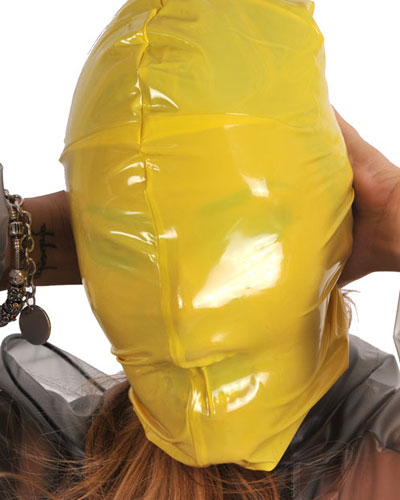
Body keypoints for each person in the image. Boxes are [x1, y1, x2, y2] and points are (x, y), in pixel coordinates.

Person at [0, 107, 398, 499]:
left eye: (245, 238)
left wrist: (39, 240)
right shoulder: (35, 453)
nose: (191, 295)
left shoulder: (44, 460)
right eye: (141, 237)